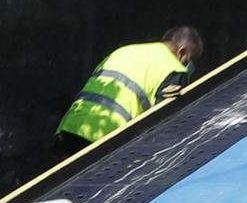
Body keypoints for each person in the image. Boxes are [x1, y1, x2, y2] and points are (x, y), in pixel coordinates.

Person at [57, 26, 202, 154]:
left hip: (71, 128)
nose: (190, 67)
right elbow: (165, 122)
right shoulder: (174, 68)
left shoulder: (124, 51)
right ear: (182, 52)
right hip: (107, 140)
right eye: (191, 60)